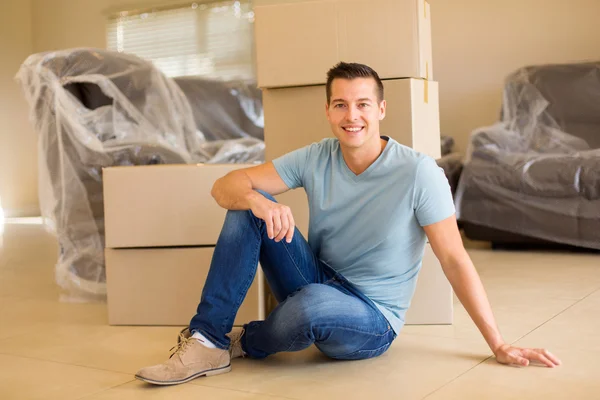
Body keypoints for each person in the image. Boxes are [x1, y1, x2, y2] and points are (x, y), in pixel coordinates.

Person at [135, 62, 561, 386]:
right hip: (317, 278)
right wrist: (256, 201)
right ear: (328, 110)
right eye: (340, 104)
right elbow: (224, 186)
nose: (351, 115)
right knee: (248, 205)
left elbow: (454, 258)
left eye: (362, 104)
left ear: (380, 109)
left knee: (309, 307)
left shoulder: (419, 172)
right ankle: (208, 341)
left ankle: (245, 341)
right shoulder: (317, 156)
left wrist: (498, 343)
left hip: (372, 317)